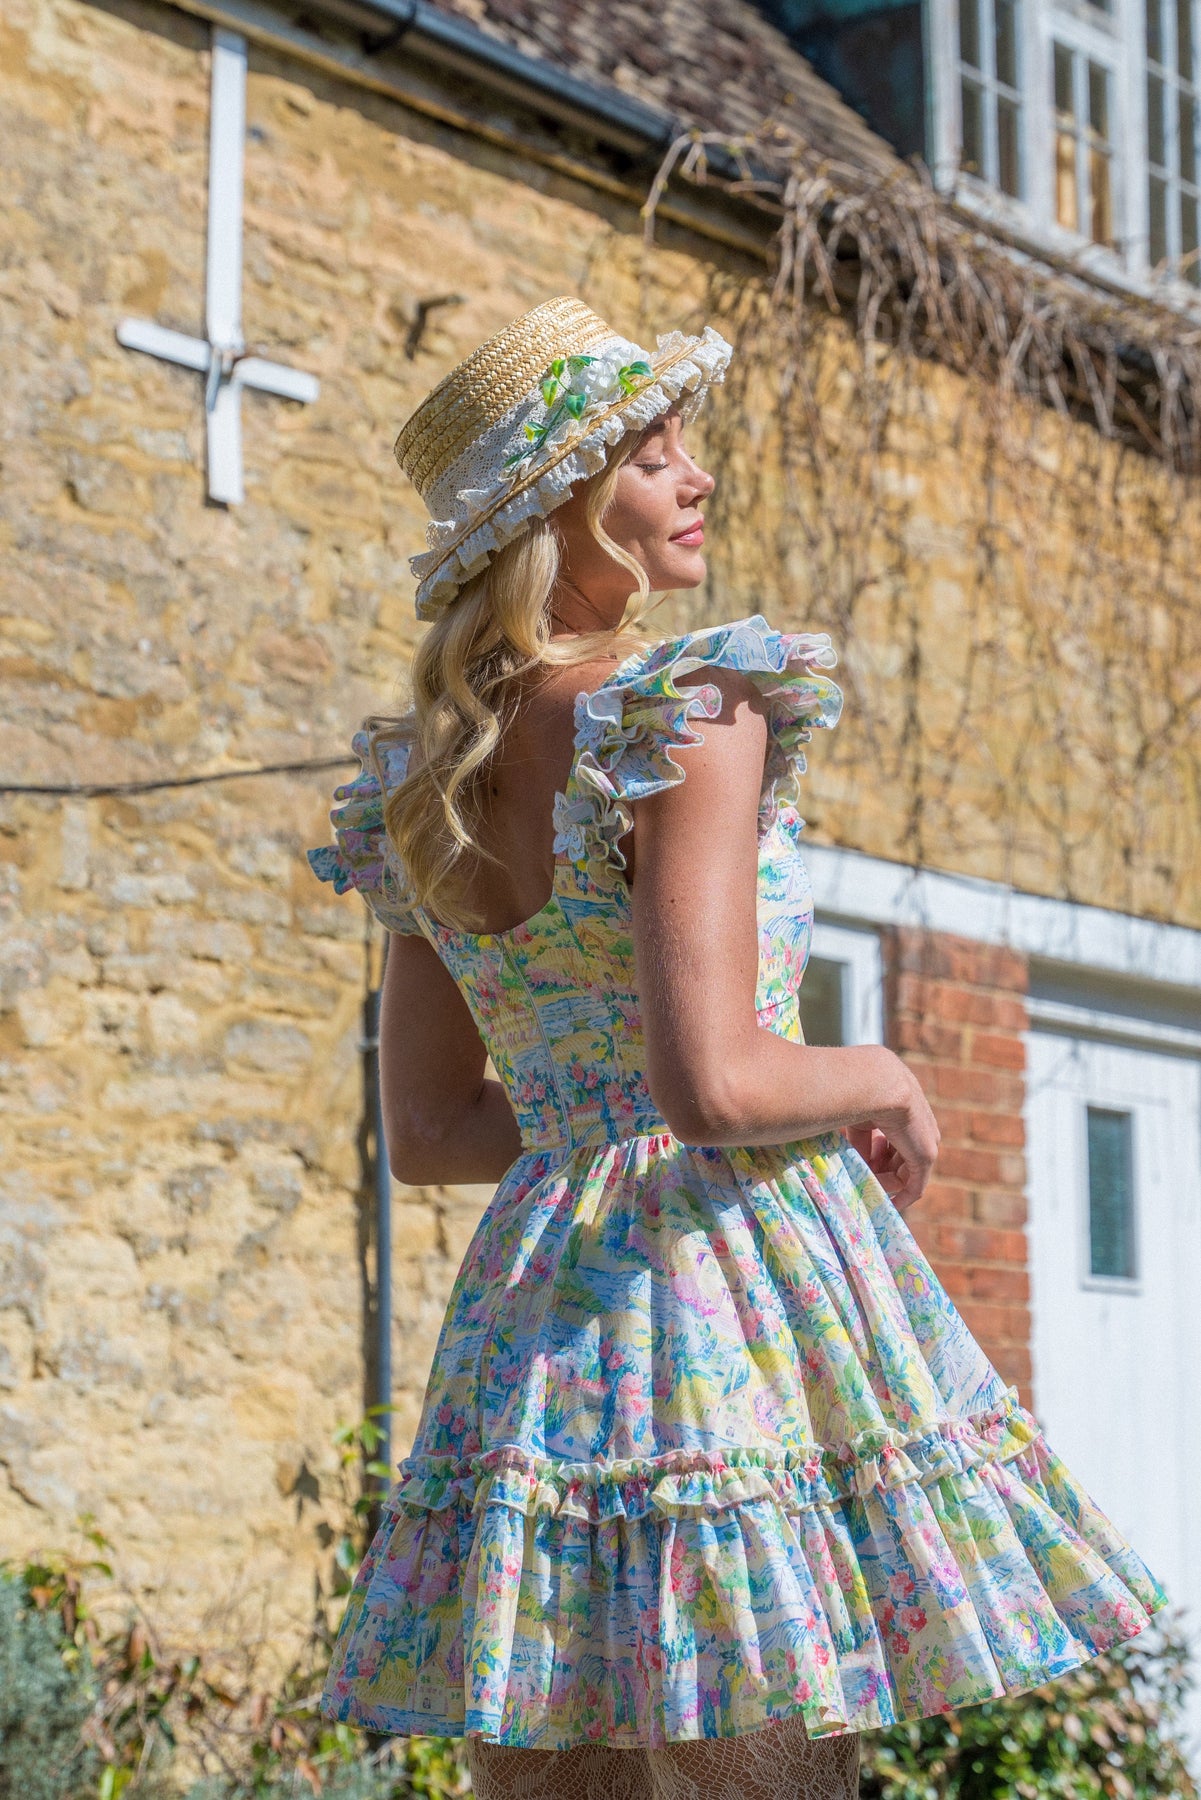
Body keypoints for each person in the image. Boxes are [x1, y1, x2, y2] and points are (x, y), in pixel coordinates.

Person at [308, 297, 1164, 1800]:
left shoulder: (422, 786)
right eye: (650, 456)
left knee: (567, 1769)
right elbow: (713, 1085)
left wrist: (588, 1106)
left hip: (539, 1320)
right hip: (714, 1294)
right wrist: (882, 1075)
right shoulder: (680, 715)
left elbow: (432, 1130)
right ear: (556, 512)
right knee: (756, 1761)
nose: (695, 475)